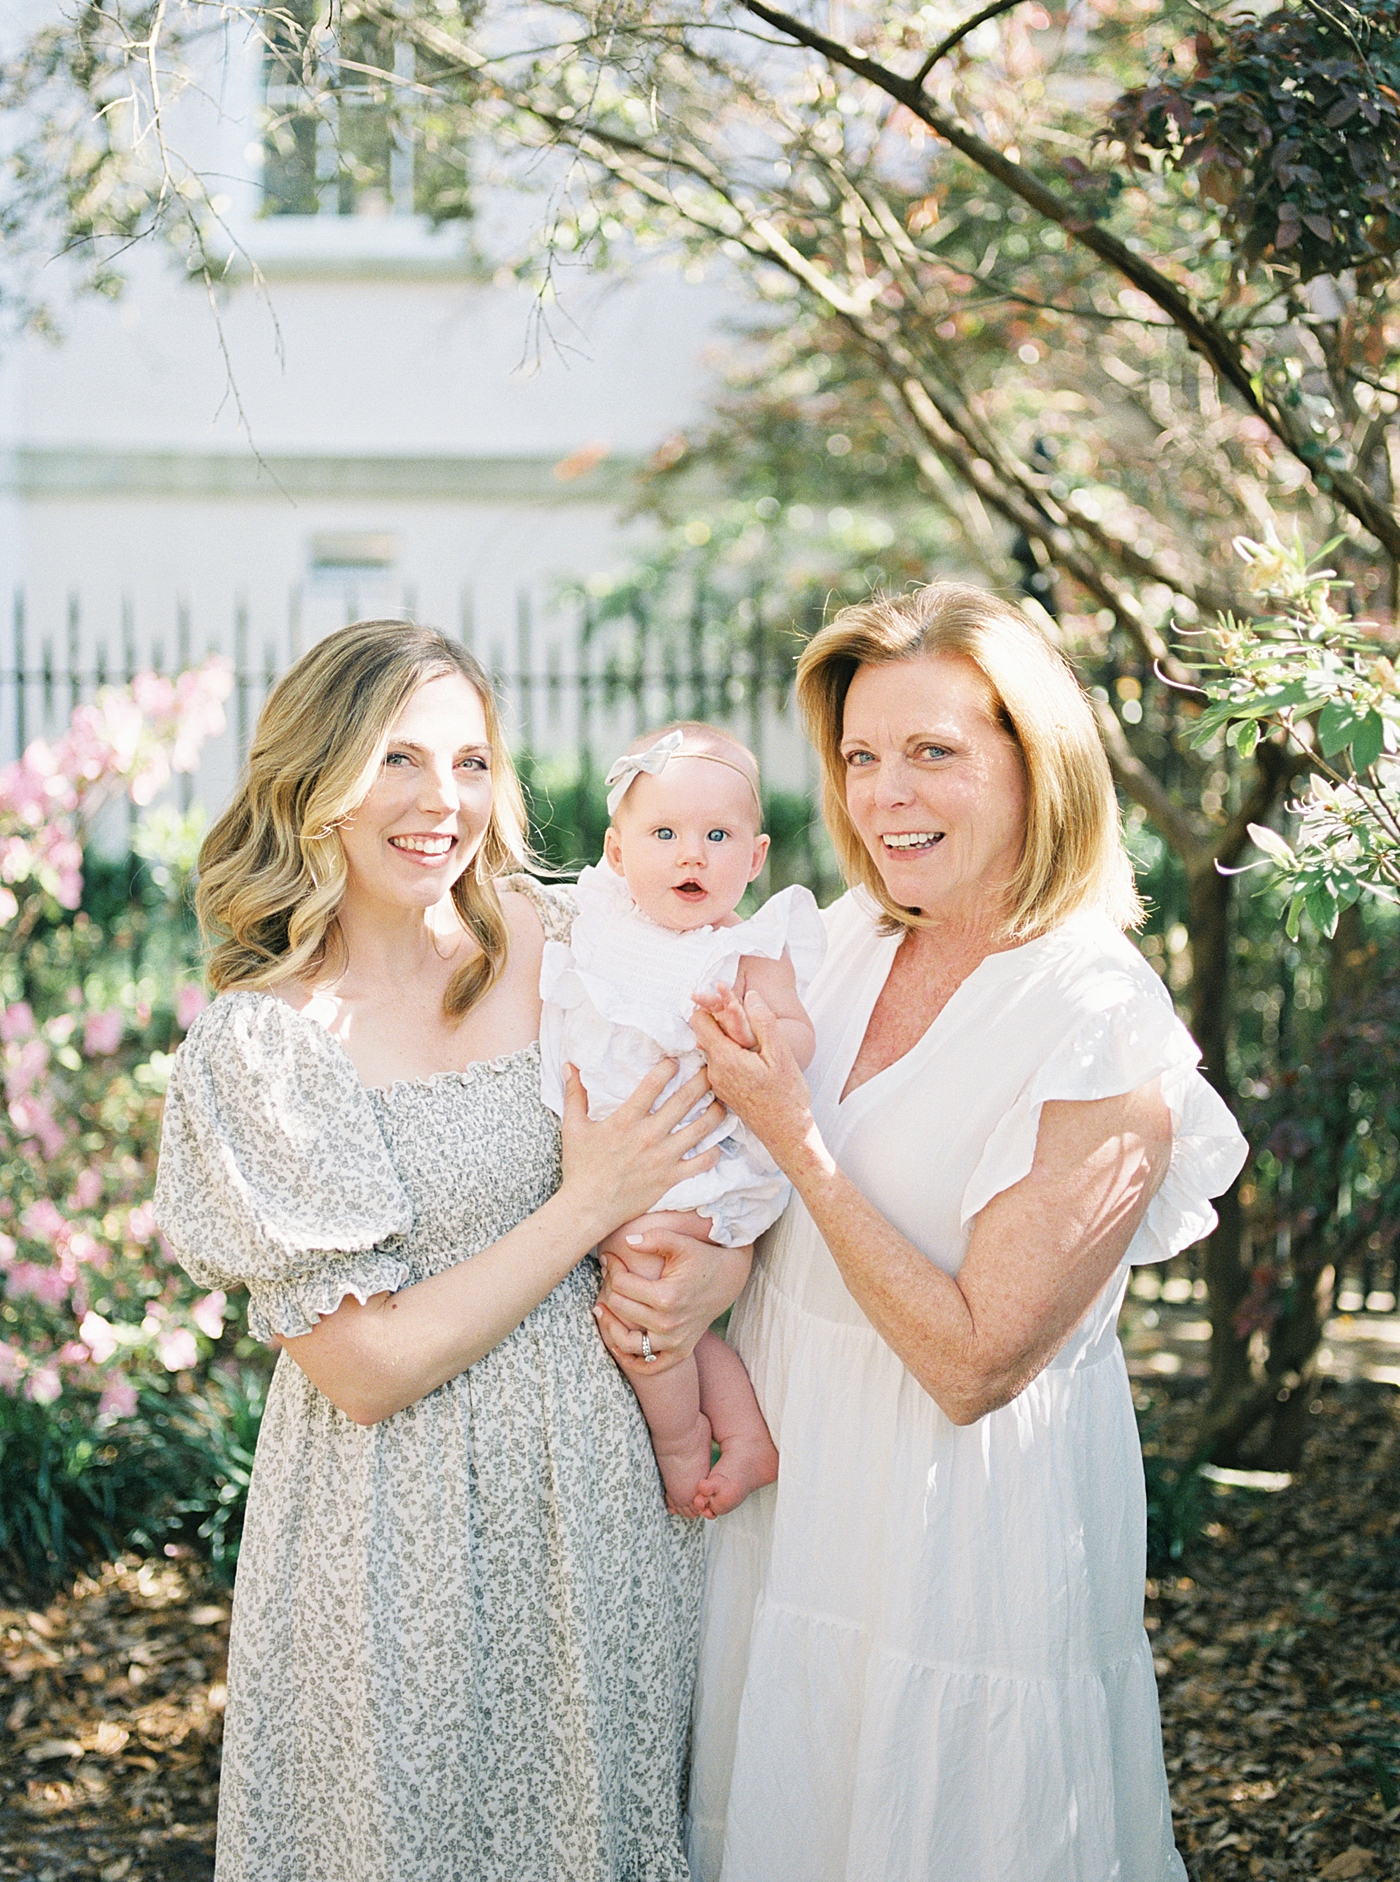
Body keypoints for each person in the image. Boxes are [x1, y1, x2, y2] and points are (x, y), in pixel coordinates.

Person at [608, 584, 1248, 1881]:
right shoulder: (838, 946)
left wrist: (795, 1134)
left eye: (933, 752)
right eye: (860, 756)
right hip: (798, 1505)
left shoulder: (1100, 1025)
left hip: (957, 1547)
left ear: (1038, 763)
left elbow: (973, 1362)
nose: (884, 793)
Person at [152, 621, 750, 1882]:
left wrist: (715, 1275)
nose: (443, 803)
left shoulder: (568, 940)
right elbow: (365, 1368)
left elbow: (718, 1150)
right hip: (389, 1533)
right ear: (313, 783)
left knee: (599, 1828)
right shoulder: (265, 1044)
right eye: (397, 761)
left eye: (472, 762)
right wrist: (586, 1205)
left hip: (599, 1505)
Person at [540, 722, 825, 1517]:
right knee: (686, 1324)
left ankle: (680, 1446)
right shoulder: (599, 918)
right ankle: (746, 1436)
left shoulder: (750, 947)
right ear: (618, 852)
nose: (690, 854)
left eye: (716, 836)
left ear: (757, 857)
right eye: (663, 833)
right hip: (621, 1164)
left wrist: (756, 1035)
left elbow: (799, 1032)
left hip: (705, 1169)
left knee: (647, 1301)